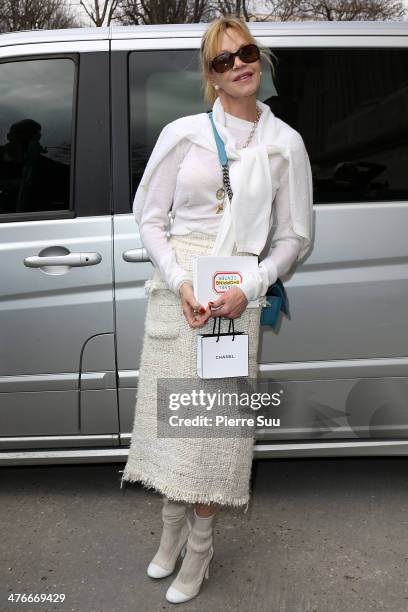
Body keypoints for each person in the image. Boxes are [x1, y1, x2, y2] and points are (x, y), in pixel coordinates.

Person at [120, 15, 314, 604]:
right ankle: (170, 533)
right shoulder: (184, 134)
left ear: (261, 59)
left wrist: (251, 285)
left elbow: (294, 237)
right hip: (181, 293)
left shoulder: (285, 144)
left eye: (246, 53)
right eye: (223, 60)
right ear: (210, 75)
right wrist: (179, 279)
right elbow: (150, 219)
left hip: (237, 291)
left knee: (212, 432)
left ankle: (199, 550)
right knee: (174, 425)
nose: (239, 66)